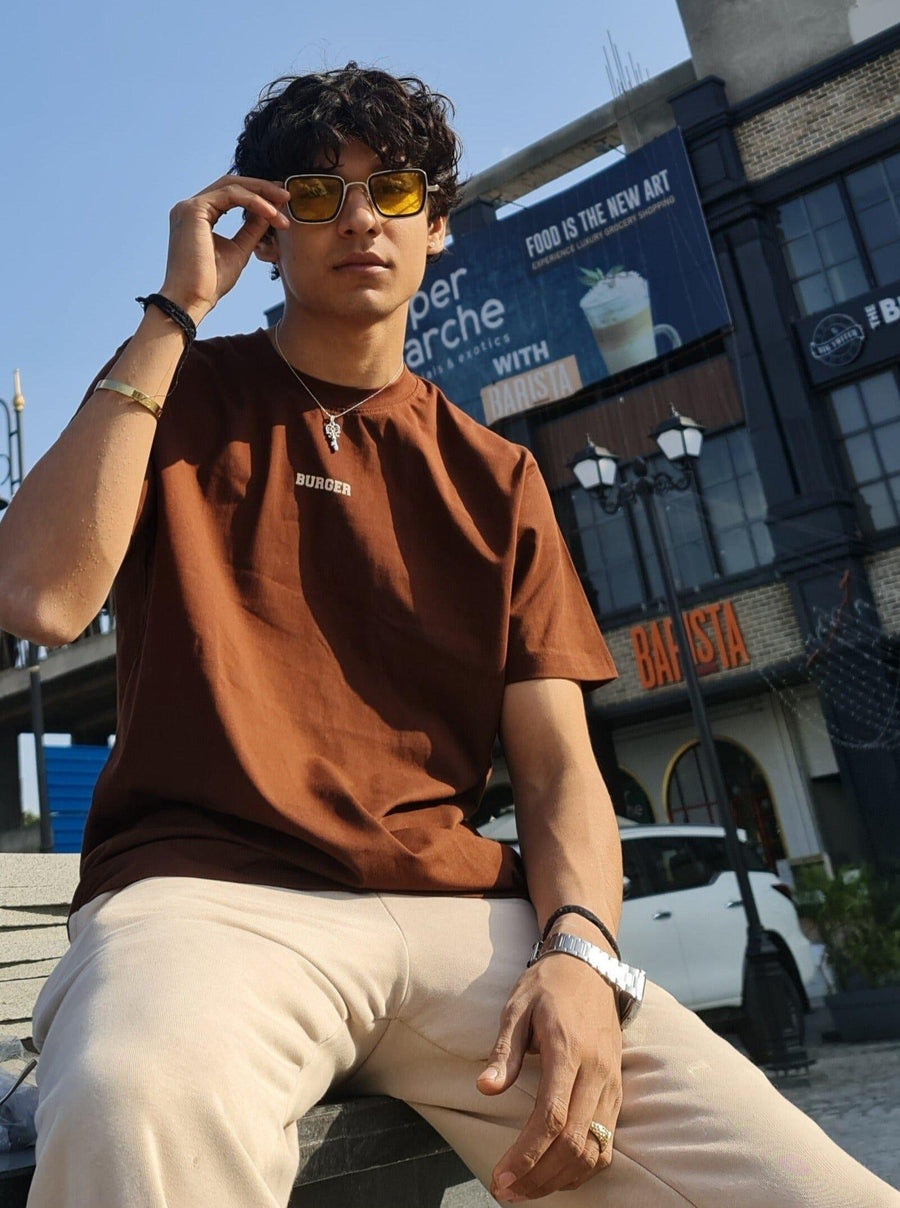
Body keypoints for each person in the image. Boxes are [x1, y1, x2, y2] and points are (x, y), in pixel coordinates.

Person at [2, 63, 896, 1208]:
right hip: (210, 900)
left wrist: (580, 950)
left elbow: (559, 767)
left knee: (806, 1187)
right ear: (265, 233)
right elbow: (38, 597)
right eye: (316, 194)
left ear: (436, 226)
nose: (360, 218)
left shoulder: (498, 475)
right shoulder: (176, 391)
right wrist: (174, 311)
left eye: (394, 190)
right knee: (136, 1105)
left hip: (467, 922)